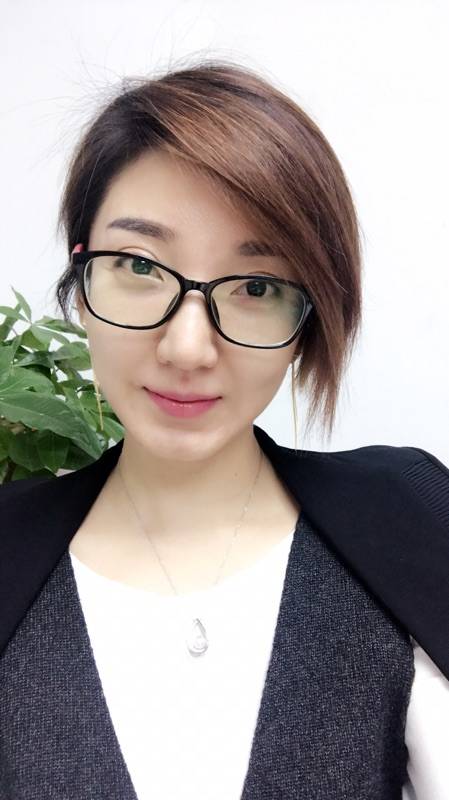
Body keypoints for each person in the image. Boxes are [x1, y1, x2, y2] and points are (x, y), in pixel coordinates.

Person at [0, 59, 448, 800]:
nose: (187, 348)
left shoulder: (411, 520)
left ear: (310, 318)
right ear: (80, 281)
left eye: (256, 287)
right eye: (139, 265)